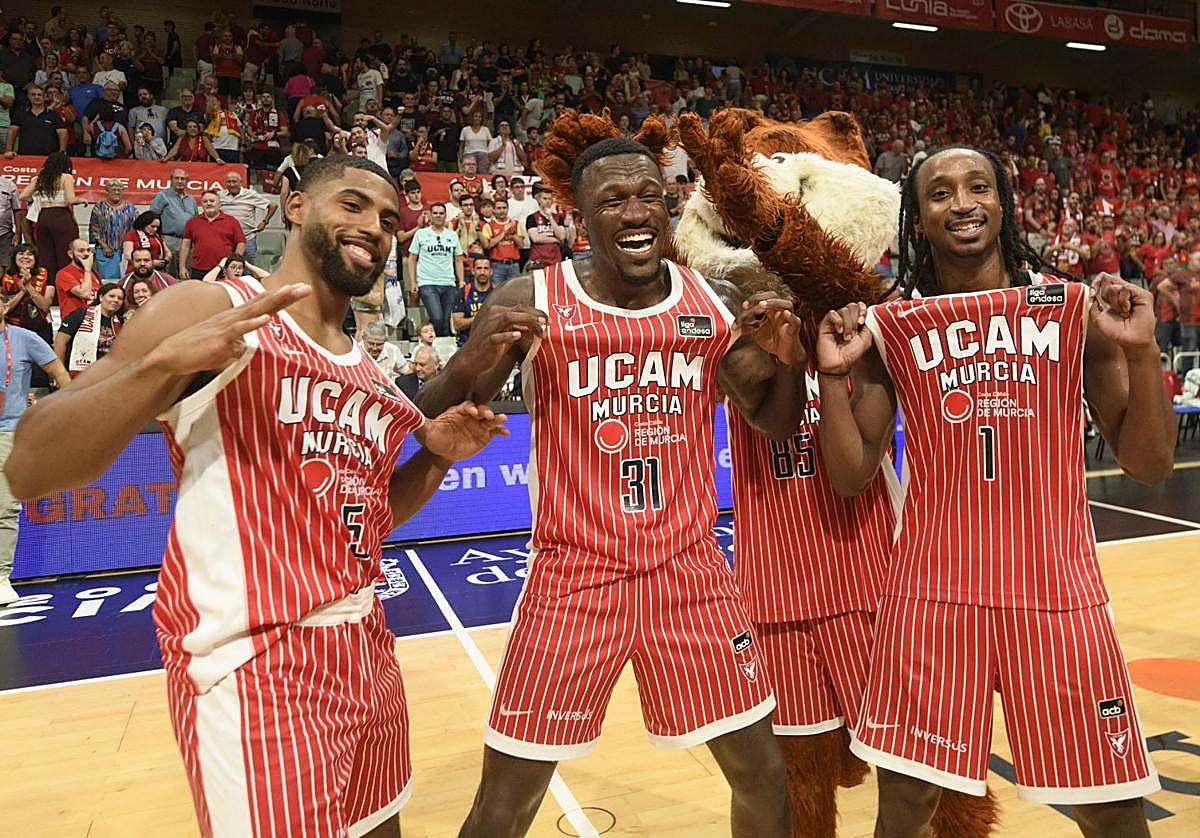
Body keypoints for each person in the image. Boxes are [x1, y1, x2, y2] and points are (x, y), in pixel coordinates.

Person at [4, 154, 509, 837]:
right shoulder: (210, 308)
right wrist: (164, 365)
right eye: (352, 205)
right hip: (257, 663)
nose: (374, 228)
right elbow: (31, 466)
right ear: (295, 205)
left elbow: (368, 517)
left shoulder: (362, 366)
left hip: (365, 647)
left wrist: (437, 460)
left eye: (389, 219)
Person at [417, 117, 799, 838]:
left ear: (668, 205)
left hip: (690, 578)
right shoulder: (530, 299)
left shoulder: (709, 300)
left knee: (763, 775)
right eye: (614, 199)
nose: (634, 212)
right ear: (582, 218)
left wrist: (791, 358)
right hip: (574, 581)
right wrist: (467, 369)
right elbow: (425, 419)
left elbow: (774, 421)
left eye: (649, 196)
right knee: (506, 803)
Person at [816, 147, 1175, 838]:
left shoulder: (1074, 308)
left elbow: (1149, 465)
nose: (963, 203)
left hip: (1056, 594)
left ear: (1003, 203)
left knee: (1111, 809)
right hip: (930, 598)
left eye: (978, 186)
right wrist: (834, 380)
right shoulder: (891, 327)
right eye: (941, 193)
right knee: (907, 808)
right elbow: (851, 474)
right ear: (917, 222)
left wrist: (1141, 350)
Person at [0, 310, 70, 604]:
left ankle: (1, 577)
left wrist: (63, 410)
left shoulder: (23, 338)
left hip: (9, 432)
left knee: (5, 506)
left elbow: (58, 372)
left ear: (3, 308)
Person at [18, 150, 79, 278]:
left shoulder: (40, 179)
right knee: (65, 255)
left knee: (46, 258)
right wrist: (82, 200)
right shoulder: (66, 177)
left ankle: (49, 288)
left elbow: (23, 196)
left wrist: (36, 199)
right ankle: (64, 287)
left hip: (43, 217)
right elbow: (70, 200)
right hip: (61, 217)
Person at [407, 202, 463, 338]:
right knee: (437, 318)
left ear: (445, 216)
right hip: (427, 282)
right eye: (435, 213)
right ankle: (430, 341)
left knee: (446, 320)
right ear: (430, 215)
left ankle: (442, 350)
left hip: (448, 283)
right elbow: (412, 259)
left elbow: (458, 259)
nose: (438, 216)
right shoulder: (421, 234)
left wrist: (461, 280)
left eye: (441, 213)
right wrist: (413, 282)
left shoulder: (452, 235)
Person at [55, 281, 124, 377]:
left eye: (120, 298)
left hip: (109, 376)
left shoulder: (121, 322)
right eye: (111, 296)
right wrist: (59, 373)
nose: (116, 300)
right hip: (79, 375)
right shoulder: (80, 314)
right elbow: (60, 342)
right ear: (100, 297)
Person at [179, 191, 245, 280]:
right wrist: (182, 267)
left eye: (212, 201)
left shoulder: (232, 221)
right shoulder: (192, 222)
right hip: (198, 269)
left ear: (219, 204)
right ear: (201, 204)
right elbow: (185, 246)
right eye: (205, 201)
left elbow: (241, 243)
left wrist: (234, 263)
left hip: (223, 270)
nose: (208, 203)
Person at [2, 243, 55, 350]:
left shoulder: (46, 275)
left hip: (39, 327)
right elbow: (4, 308)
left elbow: (45, 306)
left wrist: (28, 286)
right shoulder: (5, 277)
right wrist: (22, 292)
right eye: (21, 253)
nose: (25, 257)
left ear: (35, 259)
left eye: (30, 254)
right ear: (14, 257)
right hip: (13, 327)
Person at [218, 171, 276, 266]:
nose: (231, 184)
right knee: (225, 268)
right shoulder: (219, 196)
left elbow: (273, 206)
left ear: (240, 182)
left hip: (247, 238)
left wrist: (265, 222)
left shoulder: (250, 194)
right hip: (226, 240)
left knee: (248, 270)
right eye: (229, 182)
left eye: (234, 181)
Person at [150, 169, 198, 276]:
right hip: (169, 240)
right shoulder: (162, 195)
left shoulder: (191, 200)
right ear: (171, 180)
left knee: (186, 273)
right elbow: (152, 217)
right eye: (177, 178)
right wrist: (157, 237)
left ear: (187, 181)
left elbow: (196, 221)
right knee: (168, 274)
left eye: (183, 179)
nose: (180, 181)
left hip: (188, 242)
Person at [89, 179, 138, 279]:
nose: (116, 192)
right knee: (110, 281)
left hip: (126, 251)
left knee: (128, 279)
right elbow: (94, 229)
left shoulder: (131, 208)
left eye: (119, 190)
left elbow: (136, 227)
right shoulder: (99, 207)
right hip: (106, 251)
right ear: (107, 191)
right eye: (113, 190)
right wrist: (104, 246)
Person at [480, 197, 524, 286]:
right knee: (497, 293)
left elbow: (521, 245)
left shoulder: (515, 223)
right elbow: (488, 245)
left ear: (508, 209)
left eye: (504, 208)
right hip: (497, 265)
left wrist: (513, 234)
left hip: (513, 265)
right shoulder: (488, 226)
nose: (502, 211)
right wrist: (504, 233)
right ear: (494, 210)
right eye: (499, 208)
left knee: (514, 292)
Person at [453, 255, 494, 347]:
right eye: (479, 268)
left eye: (486, 268)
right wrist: (480, 317)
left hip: (491, 345)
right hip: (466, 345)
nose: (482, 272)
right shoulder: (463, 292)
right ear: (473, 271)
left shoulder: (498, 292)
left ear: (491, 271)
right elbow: (457, 324)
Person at [202, 252, 269, 282]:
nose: (237, 270)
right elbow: (205, 281)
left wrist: (248, 265)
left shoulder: (245, 281)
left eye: (240, 268)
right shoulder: (220, 282)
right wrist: (221, 265)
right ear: (225, 270)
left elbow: (268, 277)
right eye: (233, 267)